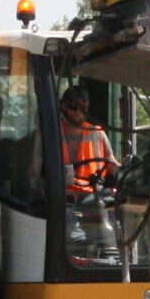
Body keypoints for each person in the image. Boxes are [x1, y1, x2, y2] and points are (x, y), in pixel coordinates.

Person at [58, 85, 120, 266]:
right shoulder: (51, 133)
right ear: (63, 107)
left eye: (83, 108)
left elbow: (112, 164)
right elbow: (34, 169)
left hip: (92, 196)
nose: (79, 113)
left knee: (106, 207)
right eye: (73, 107)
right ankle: (78, 253)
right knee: (67, 218)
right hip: (62, 197)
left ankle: (111, 258)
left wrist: (126, 171)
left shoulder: (97, 133)